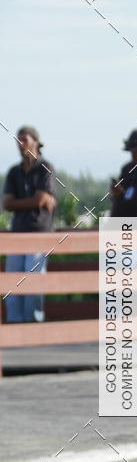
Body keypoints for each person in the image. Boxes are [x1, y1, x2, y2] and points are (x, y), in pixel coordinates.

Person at [2, 126, 57, 323]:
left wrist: (32, 201)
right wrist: (35, 201)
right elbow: (6, 203)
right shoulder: (14, 172)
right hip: (17, 234)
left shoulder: (46, 167)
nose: (20, 143)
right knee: (12, 282)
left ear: (36, 141)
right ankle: (15, 324)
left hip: (39, 234)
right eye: (18, 140)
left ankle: (33, 326)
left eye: (24, 139)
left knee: (34, 281)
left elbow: (40, 198)